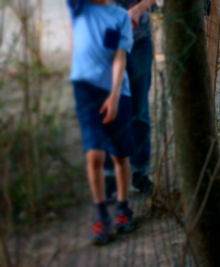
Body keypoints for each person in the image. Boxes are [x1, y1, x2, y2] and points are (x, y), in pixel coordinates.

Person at [66, 0, 135, 245]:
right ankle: (100, 214)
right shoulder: (79, 7)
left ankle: (123, 207)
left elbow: (120, 58)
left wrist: (114, 96)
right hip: (85, 89)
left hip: (117, 92)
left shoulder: (120, 17)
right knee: (94, 154)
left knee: (119, 155)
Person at [104, 0, 155, 202]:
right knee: (108, 107)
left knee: (139, 110)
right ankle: (109, 175)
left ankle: (139, 172)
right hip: (107, 41)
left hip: (139, 41)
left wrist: (138, 8)